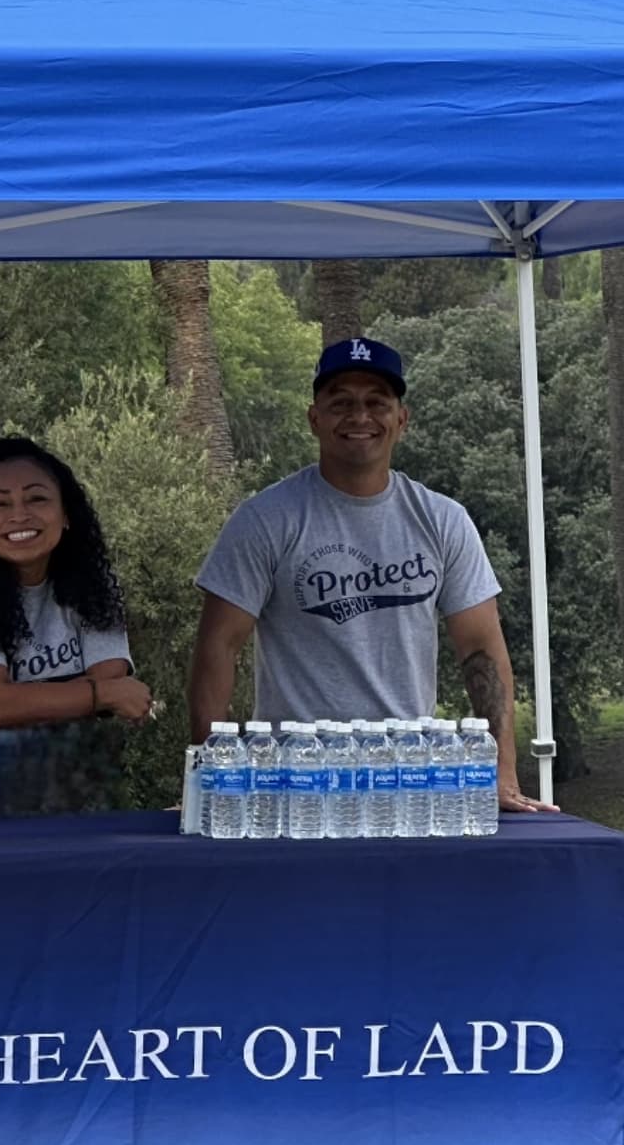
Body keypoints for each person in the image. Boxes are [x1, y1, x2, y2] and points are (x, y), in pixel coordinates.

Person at [188, 336, 556, 814]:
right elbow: (218, 648)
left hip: (407, 784)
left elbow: (481, 650)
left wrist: (502, 773)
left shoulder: (443, 520)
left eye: (376, 402)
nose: (359, 417)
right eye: (340, 402)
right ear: (314, 419)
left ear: (401, 420)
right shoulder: (265, 520)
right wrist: (208, 778)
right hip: (295, 787)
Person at [0, 436, 151, 819]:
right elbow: (104, 692)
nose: (19, 515)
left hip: (64, 806)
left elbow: (112, 685)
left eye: (37, 499)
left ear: (66, 512)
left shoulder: (93, 584)